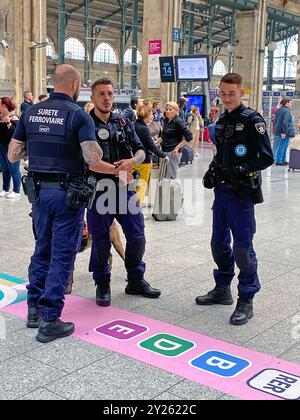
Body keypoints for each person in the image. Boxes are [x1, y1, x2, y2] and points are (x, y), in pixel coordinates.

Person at [8, 64, 116, 343]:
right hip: (67, 196)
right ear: (76, 85)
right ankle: (50, 318)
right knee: (62, 254)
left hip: (39, 194)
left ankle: (33, 310)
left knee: (41, 249)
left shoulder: (30, 112)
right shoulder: (79, 116)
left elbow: (12, 155)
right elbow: (93, 159)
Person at [196, 73, 274, 326]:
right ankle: (223, 288)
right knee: (218, 243)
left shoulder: (253, 120)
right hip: (222, 192)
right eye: (223, 93)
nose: (227, 97)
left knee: (242, 248)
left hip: (241, 194)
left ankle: (246, 298)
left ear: (242, 92)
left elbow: (266, 157)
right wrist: (212, 170)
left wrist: (241, 170)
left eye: (232, 93)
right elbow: (220, 153)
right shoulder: (220, 121)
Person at [88, 78, 161, 307]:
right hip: (99, 191)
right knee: (100, 241)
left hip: (124, 189)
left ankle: (135, 280)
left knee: (137, 236)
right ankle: (103, 283)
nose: (107, 98)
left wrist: (132, 161)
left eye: (110, 93)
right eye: (101, 94)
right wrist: (119, 168)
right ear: (93, 98)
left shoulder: (123, 122)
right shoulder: (85, 125)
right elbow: (90, 161)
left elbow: (141, 149)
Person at [134, 105, 169, 205]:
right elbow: (151, 146)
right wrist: (163, 155)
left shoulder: (133, 125)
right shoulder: (144, 128)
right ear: (145, 115)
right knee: (142, 185)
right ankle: (137, 207)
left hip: (132, 159)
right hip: (143, 161)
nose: (152, 116)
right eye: (151, 114)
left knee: (130, 186)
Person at [161, 102, 193, 179]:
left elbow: (189, 136)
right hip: (164, 151)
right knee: (165, 177)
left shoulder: (178, 121)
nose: (168, 111)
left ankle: (173, 190)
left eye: (170, 109)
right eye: (166, 109)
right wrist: (158, 141)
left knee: (171, 176)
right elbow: (164, 134)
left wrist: (177, 147)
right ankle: (167, 191)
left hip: (173, 152)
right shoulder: (166, 120)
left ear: (176, 111)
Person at [0, 97, 21, 199]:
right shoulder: (0, 117)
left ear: (4, 105)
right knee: (5, 169)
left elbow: (16, 134)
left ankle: (16, 191)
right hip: (2, 146)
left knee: (14, 169)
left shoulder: (14, 118)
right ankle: (5, 189)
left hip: (12, 148)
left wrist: (8, 123)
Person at [274, 98, 296, 166]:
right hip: (284, 132)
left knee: (284, 146)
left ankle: (283, 160)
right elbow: (285, 122)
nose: (291, 104)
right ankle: (279, 161)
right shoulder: (286, 111)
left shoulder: (279, 110)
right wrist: (284, 132)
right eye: (290, 102)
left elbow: (277, 121)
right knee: (282, 146)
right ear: (286, 103)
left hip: (278, 130)